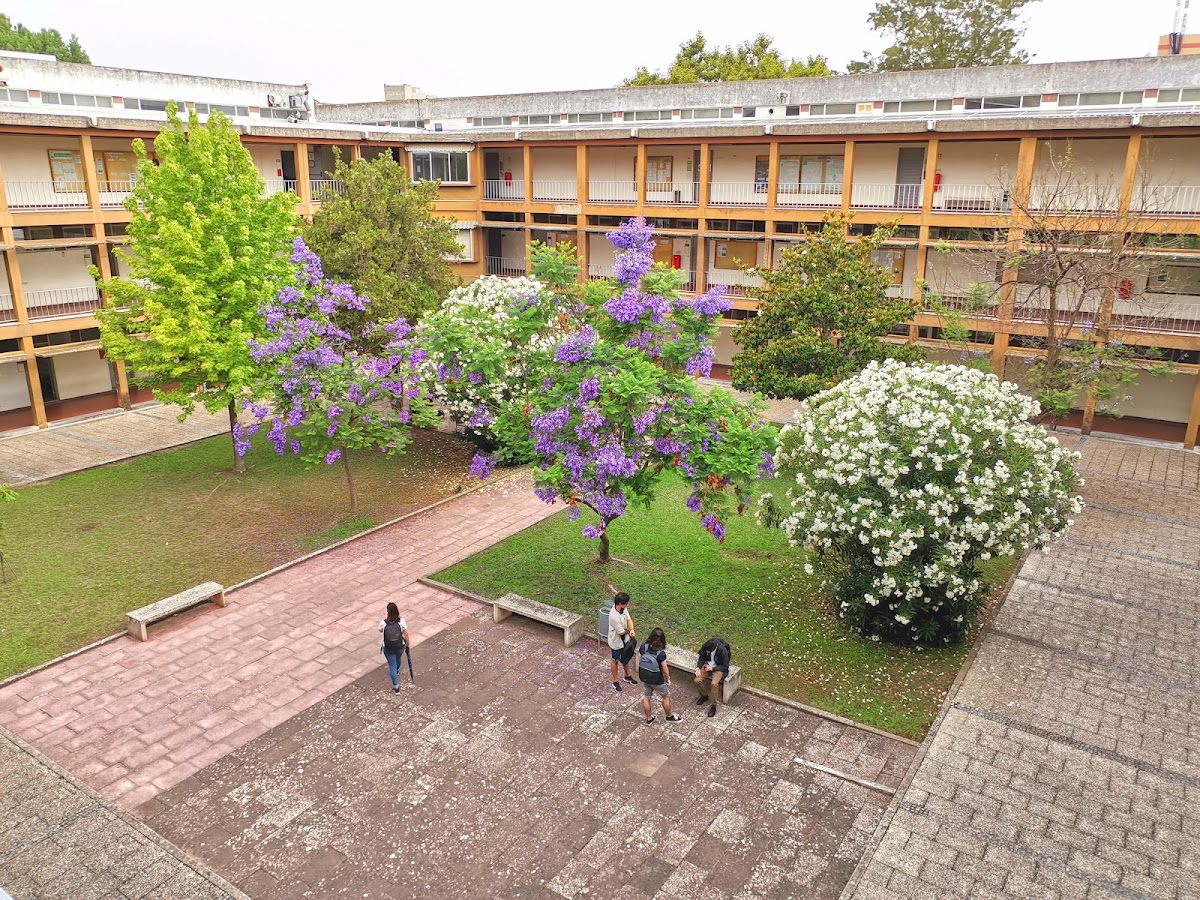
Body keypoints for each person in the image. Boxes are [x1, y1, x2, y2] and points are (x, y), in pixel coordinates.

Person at [638, 627, 682, 724]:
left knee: (646, 697)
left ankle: (649, 718)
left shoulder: (643, 647)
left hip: (645, 677)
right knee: (665, 697)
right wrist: (668, 679)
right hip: (657, 680)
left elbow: (640, 660)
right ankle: (669, 716)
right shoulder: (661, 654)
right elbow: (665, 670)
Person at [606, 591, 638, 692]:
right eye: (625, 603)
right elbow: (621, 632)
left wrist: (632, 629)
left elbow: (629, 619)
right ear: (619, 603)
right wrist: (629, 632)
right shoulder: (613, 616)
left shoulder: (623, 609)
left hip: (624, 638)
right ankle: (615, 681)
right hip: (616, 641)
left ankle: (627, 676)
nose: (627, 605)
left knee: (626, 657)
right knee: (615, 660)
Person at [694, 636, 731, 718]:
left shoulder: (722, 650)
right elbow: (702, 657)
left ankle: (713, 706)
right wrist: (698, 667)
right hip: (707, 666)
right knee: (697, 680)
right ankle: (704, 696)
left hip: (718, 668)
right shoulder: (706, 646)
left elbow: (725, 666)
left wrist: (713, 668)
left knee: (714, 684)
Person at [378, 602, 411, 694]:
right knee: (398, 659)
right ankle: (396, 671)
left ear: (388, 612)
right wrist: (408, 645)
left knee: (392, 664)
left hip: (388, 648)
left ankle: (396, 687)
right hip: (400, 646)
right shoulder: (401, 622)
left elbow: (380, 630)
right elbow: (406, 635)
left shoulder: (383, 623)